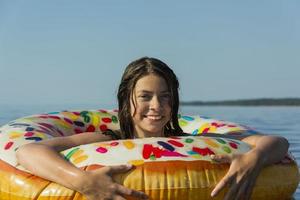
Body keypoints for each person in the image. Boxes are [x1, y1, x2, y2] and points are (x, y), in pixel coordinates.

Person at [16, 57, 289, 200]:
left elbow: (277, 142)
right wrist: (83, 182)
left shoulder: (188, 142)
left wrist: (254, 159)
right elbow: (30, 151)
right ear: (127, 99)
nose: (156, 105)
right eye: (145, 96)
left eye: (166, 96)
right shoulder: (107, 138)